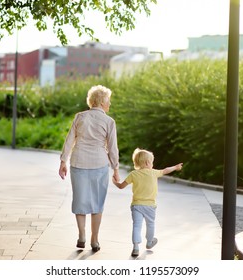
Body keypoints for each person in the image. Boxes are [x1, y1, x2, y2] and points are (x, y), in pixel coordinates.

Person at [58, 85, 120, 252]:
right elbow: (113, 148)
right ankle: (95, 239)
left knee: (80, 200)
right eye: (109, 101)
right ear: (102, 101)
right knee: (97, 203)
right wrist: (115, 168)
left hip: (78, 163)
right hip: (99, 165)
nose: (110, 104)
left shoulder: (80, 117)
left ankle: (82, 236)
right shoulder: (109, 122)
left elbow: (69, 140)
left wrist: (63, 161)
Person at [112, 148, 183, 257]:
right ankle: (149, 242)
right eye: (152, 162)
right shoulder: (154, 173)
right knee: (150, 224)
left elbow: (121, 186)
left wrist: (115, 182)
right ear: (147, 162)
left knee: (136, 226)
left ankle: (135, 247)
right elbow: (166, 170)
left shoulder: (133, 174)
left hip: (136, 205)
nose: (152, 164)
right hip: (150, 206)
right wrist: (176, 167)